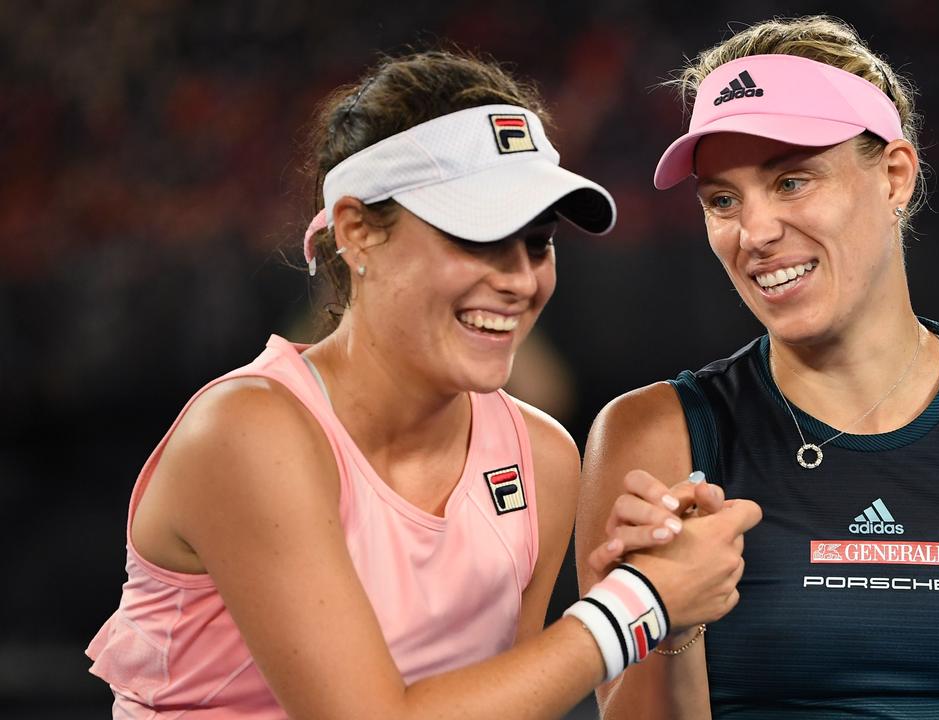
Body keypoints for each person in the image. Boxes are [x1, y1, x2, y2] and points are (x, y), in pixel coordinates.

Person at [85, 49, 761, 719]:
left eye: (537, 243)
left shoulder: (541, 457)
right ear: (357, 233)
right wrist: (640, 602)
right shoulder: (246, 433)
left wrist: (672, 610)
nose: (521, 279)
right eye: (477, 235)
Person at [577, 15, 939, 719]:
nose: (754, 233)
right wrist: (672, 616)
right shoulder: (653, 440)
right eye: (722, 200)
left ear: (894, 177)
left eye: (791, 182)